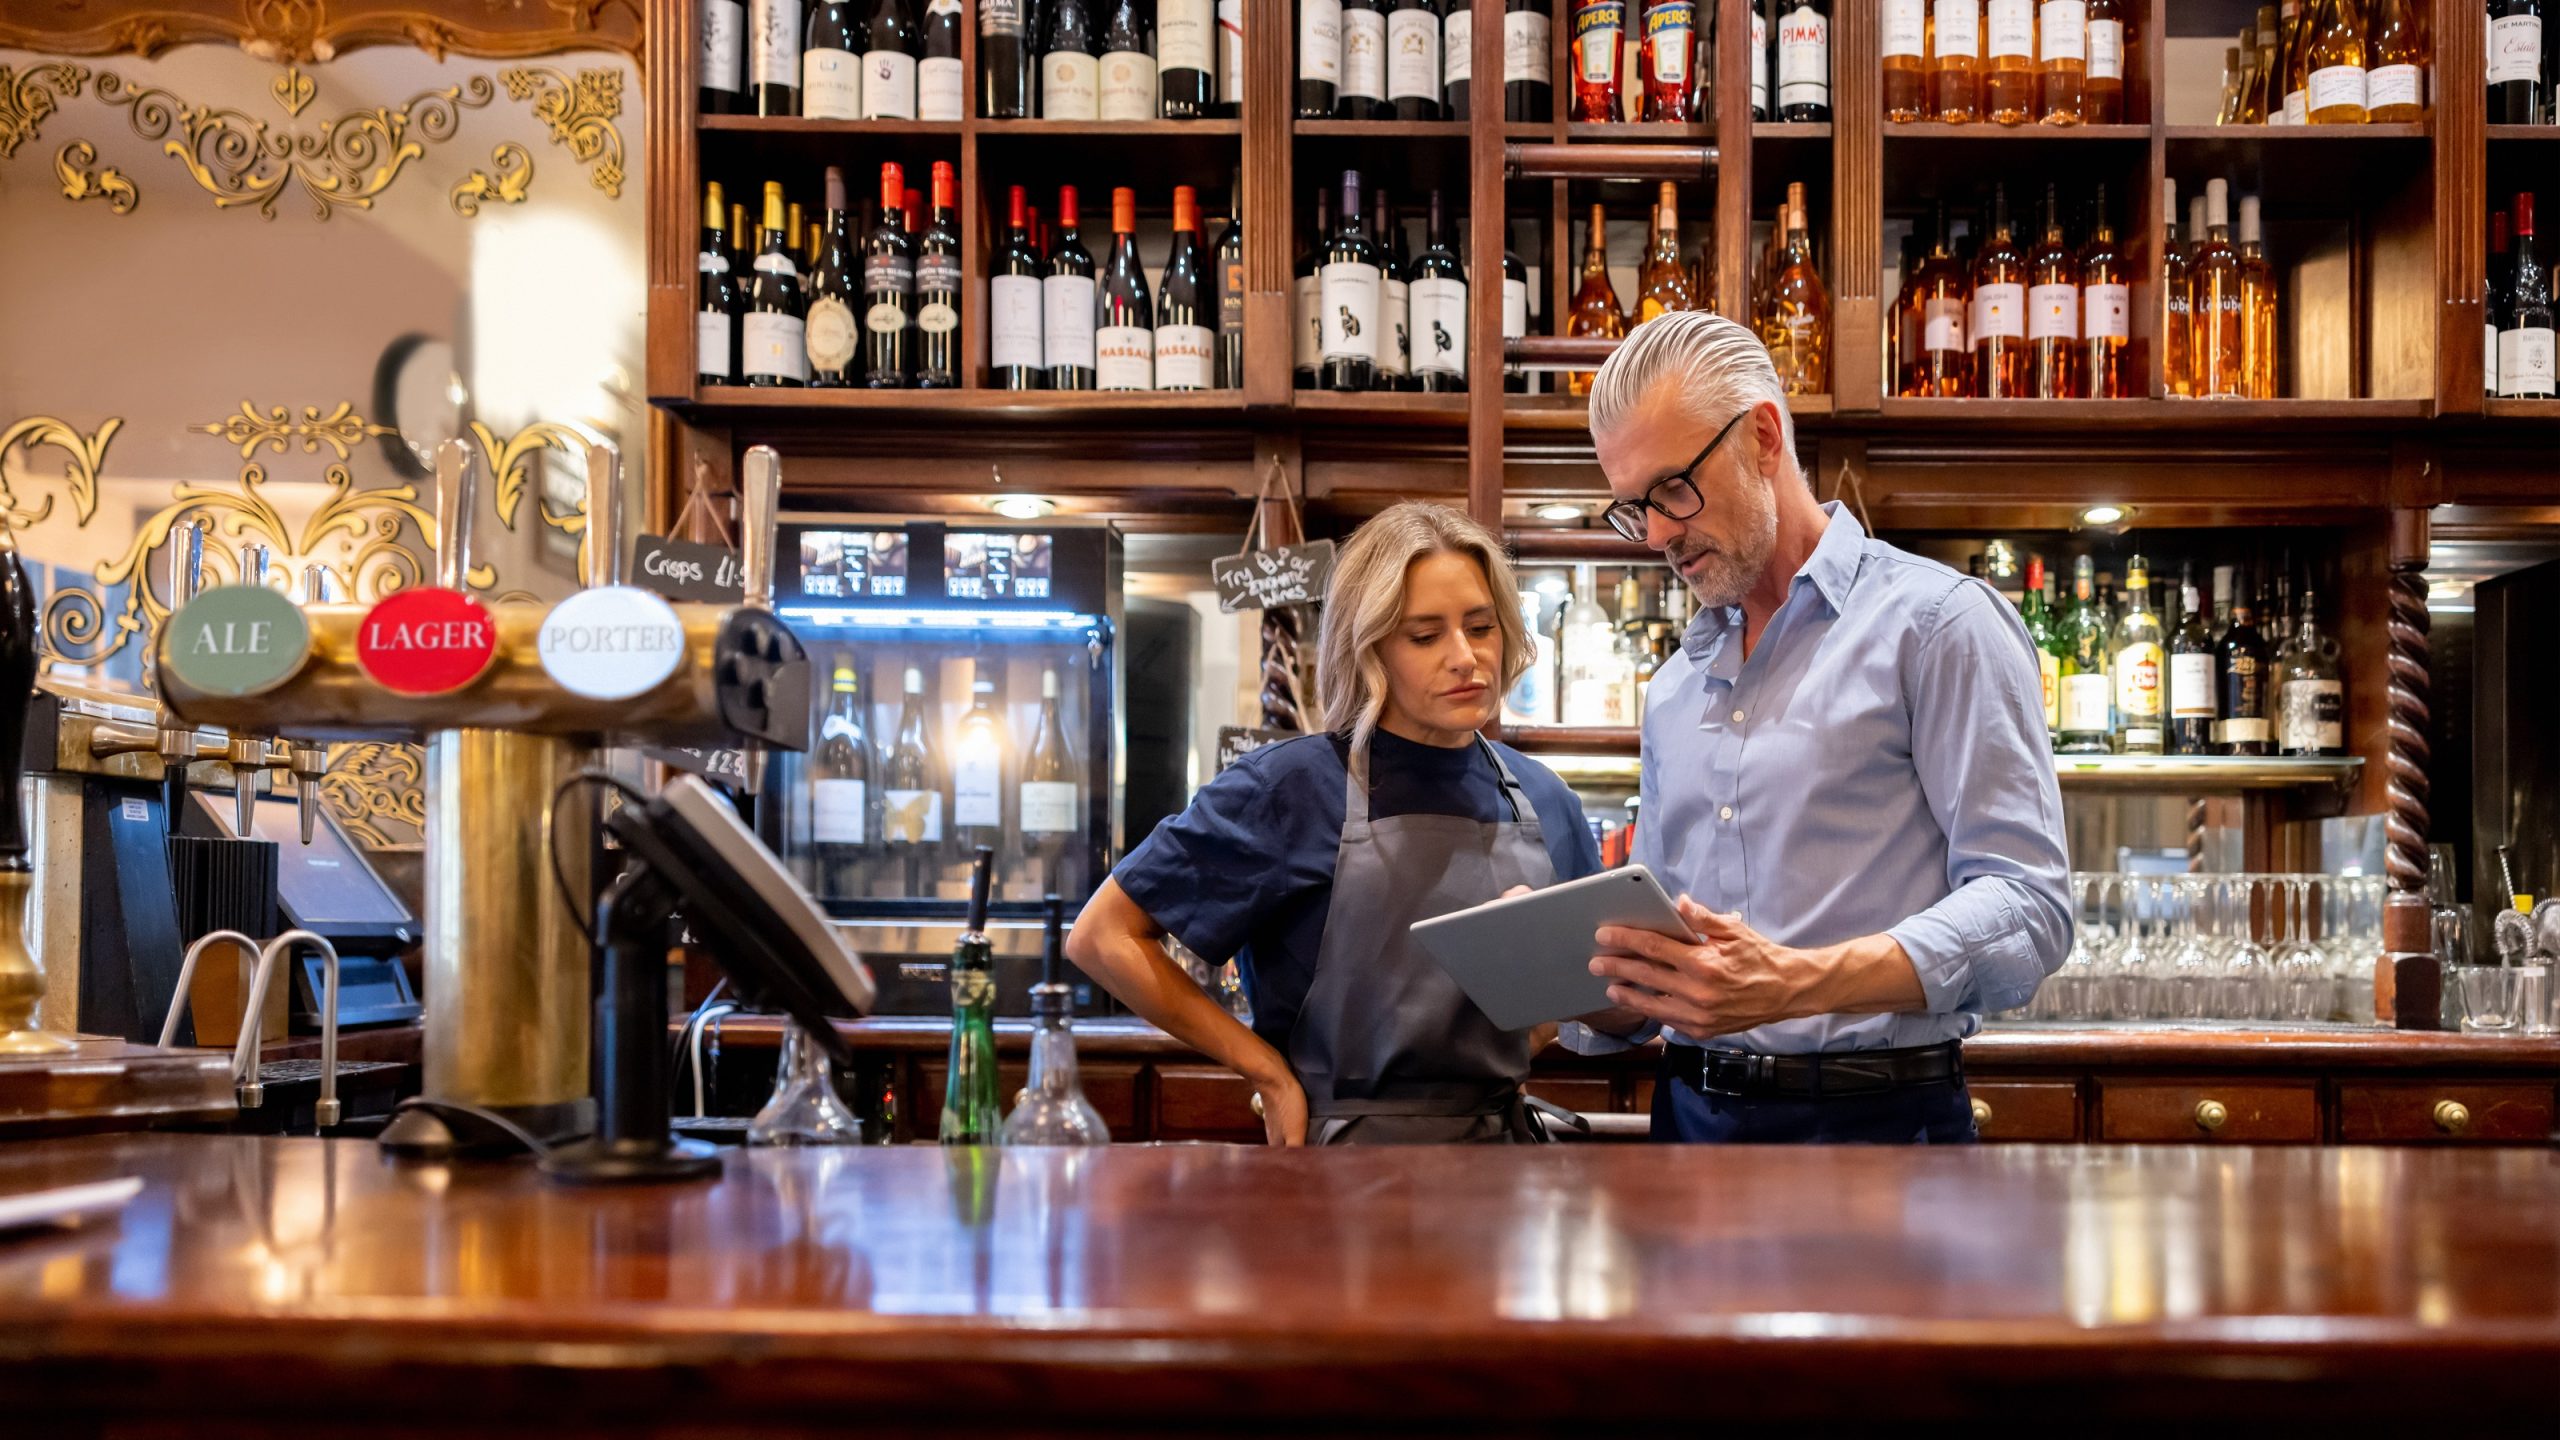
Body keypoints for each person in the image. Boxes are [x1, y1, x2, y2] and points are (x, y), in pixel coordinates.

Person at [1565, 311, 2071, 1143]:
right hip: (1688, 1128)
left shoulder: (1937, 625)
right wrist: (1581, 974)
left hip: (1879, 1126)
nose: (1656, 534)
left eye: (1671, 491)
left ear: (1763, 436)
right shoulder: (1673, 688)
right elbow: (1672, 964)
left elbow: (2028, 909)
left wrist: (1796, 982)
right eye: (1633, 510)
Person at [1069, 502, 1602, 1144]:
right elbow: (1104, 937)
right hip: (1336, 1171)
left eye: (1481, 626)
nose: (1466, 657)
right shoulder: (1290, 788)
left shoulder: (1546, 799)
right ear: (1368, 646)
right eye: (1425, 635)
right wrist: (1267, 1073)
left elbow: (1581, 993)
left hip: (1504, 1170)